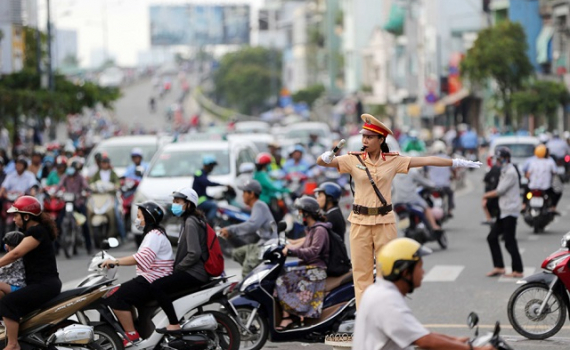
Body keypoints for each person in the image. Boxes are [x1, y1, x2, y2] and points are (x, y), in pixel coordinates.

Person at [317, 113, 481, 308]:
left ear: (381, 139)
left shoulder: (393, 161)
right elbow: (323, 162)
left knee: (389, 271)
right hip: (360, 222)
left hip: (384, 222)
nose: (365, 140)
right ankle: (365, 318)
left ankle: (387, 313)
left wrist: (456, 162)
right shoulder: (353, 160)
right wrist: (325, 156)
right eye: (363, 137)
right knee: (362, 275)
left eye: (369, 137)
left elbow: (426, 160)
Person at [353, 237, 495, 350]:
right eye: (420, 267)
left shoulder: (379, 291)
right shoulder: (386, 300)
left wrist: (453, 340)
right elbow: (425, 341)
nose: (423, 272)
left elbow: (417, 333)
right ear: (405, 272)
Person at [101, 200, 174, 345]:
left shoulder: (154, 235)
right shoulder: (154, 234)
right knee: (124, 294)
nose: (137, 220)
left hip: (153, 279)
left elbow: (141, 258)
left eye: (140, 216)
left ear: (148, 218)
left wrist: (116, 261)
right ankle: (134, 329)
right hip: (151, 278)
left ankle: (131, 335)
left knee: (115, 296)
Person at [0, 196, 62, 350]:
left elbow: (15, 254)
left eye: (16, 215)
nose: (14, 219)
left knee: (7, 303)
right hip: (42, 284)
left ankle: (13, 344)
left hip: (44, 285)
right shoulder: (34, 231)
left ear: (26, 216)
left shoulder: (36, 231)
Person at [148, 187, 209, 331]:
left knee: (157, 286)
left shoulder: (190, 222)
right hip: (194, 271)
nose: (174, 204)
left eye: (178, 201)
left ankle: (174, 323)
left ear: (188, 204)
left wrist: (178, 268)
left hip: (194, 273)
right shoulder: (189, 220)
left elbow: (194, 253)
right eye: (174, 201)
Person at [274, 196, 329, 330]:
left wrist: (292, 252)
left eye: (300, 212)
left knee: (281, 281)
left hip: (316, 270)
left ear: (307, 213)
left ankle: (288, 317)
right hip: (308, 266)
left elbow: (313, 251)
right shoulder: (312, 229)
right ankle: (293, 314)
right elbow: (303, 245)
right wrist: (287, 245)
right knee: (281, 273)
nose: (298, 215)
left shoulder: (320, 230)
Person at [219, 180, 277, 277]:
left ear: (252, 194)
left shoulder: (259, 205)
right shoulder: (257, 206)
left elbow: (252, 225)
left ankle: (250, 281)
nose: (242, 195)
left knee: (247, 269)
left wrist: (230, 229)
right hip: (262, 244)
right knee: (237, 254)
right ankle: (256, 273)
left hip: (267, 246)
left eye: (244, 192)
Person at [483, 147, 524, 278]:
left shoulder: (511, 172)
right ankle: (499, 267)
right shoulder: (504, 170)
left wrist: (485, 196)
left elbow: (500, 191)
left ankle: (518, 270)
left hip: (510, 211)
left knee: (509, 241)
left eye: (500, 159)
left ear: (506, 159)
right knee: (492, 237)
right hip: (504, 210)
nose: (498, 161)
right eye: (497, 159)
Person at [393, 165, 443, 233]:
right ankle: (434, 226)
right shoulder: (412, 172)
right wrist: (434, 185)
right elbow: (424, 182)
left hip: (398, 201)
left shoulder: (394, 174)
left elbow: (391, 189)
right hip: (411, 198)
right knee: (426, 207)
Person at [57, 160, 92, 254]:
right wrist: (55, 193)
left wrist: (87, 192)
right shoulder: (65, 177)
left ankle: (89, 246)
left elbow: (86, 186)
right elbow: (59, 186)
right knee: (58, 222)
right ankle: (56, 248)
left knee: (84, 224)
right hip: (68, 202)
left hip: (78, 203)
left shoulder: (80, 177)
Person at [90, 156, 126, 241]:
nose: (104, 165)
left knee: (117, 215)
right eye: (102, 163)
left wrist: (117, 186)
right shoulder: (97, 173)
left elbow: (117, 182)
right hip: (99, 197)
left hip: (110, 197)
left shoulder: (112, 173)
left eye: (105, 163)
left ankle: (122, 235)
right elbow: (91, 182)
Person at [253, 152, 290, 220]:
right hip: (265, 201)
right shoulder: (262, 175)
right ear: (265, 165)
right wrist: (287, 190)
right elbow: (271, 187)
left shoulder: (258, 174)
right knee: (276, 217)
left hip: (262, 200)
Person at [192, 155, 227, 224]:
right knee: (214, 205)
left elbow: (203, 193)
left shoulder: (204, 174)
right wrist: (222, 185)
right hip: (199, 201)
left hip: (202, 199)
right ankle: (208, 224)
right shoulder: (199, 173)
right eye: (212, 166)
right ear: (207, 165)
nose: (212, 168)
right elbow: (207, 183)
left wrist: (213, 197)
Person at [525, 144, 557, 212]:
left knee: (526, 191)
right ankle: (553, 207)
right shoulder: (550, 161)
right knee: (555, 193)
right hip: (546, 187)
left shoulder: (533, 162)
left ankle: (523, 206)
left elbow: (528, 175)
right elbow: (555, 172)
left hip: (533, 187)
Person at [427, 140, 455, 217]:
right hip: (445, 186)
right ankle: (449, 210)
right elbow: (453, 169)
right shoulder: (448, 159)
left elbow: (424, 170)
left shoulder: (430, 159)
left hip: (432, 186)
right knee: (450, 193)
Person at [0, 231, 26, 298]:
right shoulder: (25, 257)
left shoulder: (10, 258)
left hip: (16, 288)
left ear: (6, 246)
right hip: (18, 287)